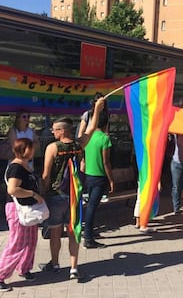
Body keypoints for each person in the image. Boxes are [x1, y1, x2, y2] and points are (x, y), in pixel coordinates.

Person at [39, 97, 105, 280]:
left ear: (62, 130)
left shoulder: (52, 148)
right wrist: (97, 110)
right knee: (74, 231)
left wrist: (42, 194)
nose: (52, 131)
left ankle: (55, 264)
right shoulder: (79, 144)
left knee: (55, 232)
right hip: (75, 196)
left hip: (56, 196)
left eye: (54, 129)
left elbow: (46, 175)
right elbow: (91, 129)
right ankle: (74, 268)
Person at [0, 138, 45, 291]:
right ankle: (1, 274)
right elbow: (12, 189)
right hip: (17, 209)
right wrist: (33, 194)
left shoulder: (26, 166)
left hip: (29, 209)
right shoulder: (16, 168)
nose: (34, 151)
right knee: (17, 243)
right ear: (24, 150)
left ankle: (24, 268)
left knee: (31, 241)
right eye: (31, 148)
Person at [83, 112, 114, 249]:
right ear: (106, 124)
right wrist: (111, 179)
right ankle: (88, 238)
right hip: (100, 177)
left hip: (89, 175)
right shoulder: (105, 139)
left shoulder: (87, 138)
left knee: (91, 204)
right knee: (92, 207)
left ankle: (89, 232)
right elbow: (106, 162)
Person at [77, 92, 110, 203]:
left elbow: (106, 131)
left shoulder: (106, 115)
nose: (101, 105)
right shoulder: (87, 114)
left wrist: (105, 138)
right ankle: (83, 192)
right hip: (87, 143)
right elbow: (81, 133)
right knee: (84, 166)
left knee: (102, 163)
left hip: (99, 142)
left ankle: (100, 192)